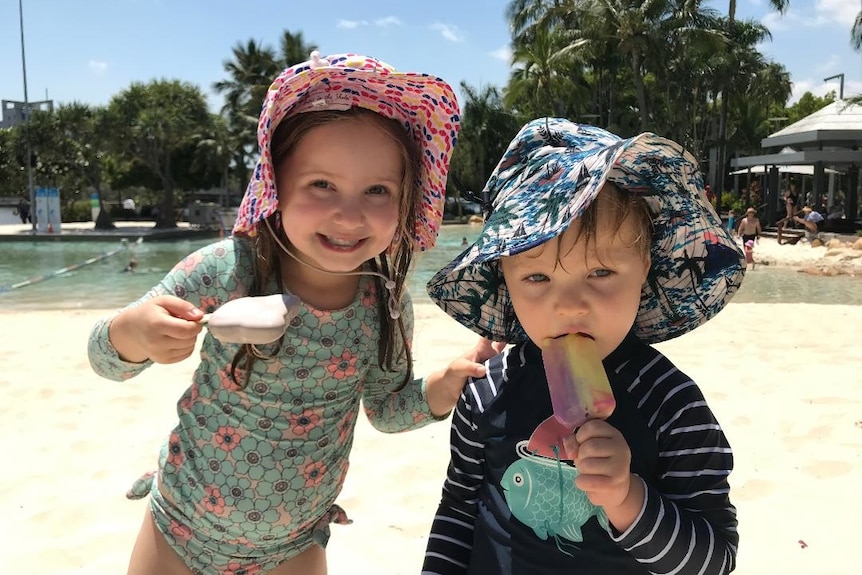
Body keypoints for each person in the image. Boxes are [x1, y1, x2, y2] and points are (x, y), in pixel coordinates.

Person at [88, 52, 478, 575]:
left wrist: (444, 385)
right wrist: (132, 332)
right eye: (322, 184)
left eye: (378, 190)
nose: (349, 213)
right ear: (275, 182)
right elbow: (105, 360)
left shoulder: (383, 306)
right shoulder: (226, 271)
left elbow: (385, 409)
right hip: (180, 526)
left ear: (406, 201)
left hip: (294, 544)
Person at [423, 118, 744, 575]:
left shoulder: (672, 404)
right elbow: (458, 510)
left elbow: (714, 560)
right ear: (505, 282)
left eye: (601, 273)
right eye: (537, 277)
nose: (570, 305)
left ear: (645, 268)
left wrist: (627, 499)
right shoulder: (485, 391)